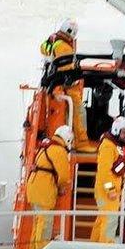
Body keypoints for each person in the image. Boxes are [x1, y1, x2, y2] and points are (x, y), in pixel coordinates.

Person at [40, 18, 94, 151]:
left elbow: (44, 49)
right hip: (65, 86)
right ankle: (82, 143)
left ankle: (73, 142)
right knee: (79, 112)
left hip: (56, 85)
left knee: (70, 115)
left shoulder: (54, 42)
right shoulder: (63, 46)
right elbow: (66, 69)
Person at [26, 125, 73, 249]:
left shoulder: (47, 146)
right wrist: (61, 188)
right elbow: (64, 176)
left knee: (38, 221)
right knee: (45, 221)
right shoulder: (59, 151)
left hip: (34, 187)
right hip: (43, 190)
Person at [90, 117, 125, 249]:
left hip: (108, 191)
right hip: (107, 192)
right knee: (109, 221)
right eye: (124, 133)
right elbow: (104, 172)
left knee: (102, 219)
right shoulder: (108, 146)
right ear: (116, 131)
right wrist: (111, 190)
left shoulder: (114, 145)